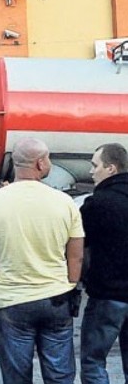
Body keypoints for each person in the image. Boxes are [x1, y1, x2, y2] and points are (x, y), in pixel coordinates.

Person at [0, 137, 84, 384]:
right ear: (40, 162)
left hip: (13, 300)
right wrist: (69, 283)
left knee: (16, 376)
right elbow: (76, 255)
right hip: (56, 297)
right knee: (60, 374)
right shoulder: (64, 202)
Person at [80, 142, 128, 384]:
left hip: (107, 294)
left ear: (110, 168)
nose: (91, 171)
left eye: (94, 165)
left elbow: (78, 246)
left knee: (93, 361)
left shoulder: (98, 204)